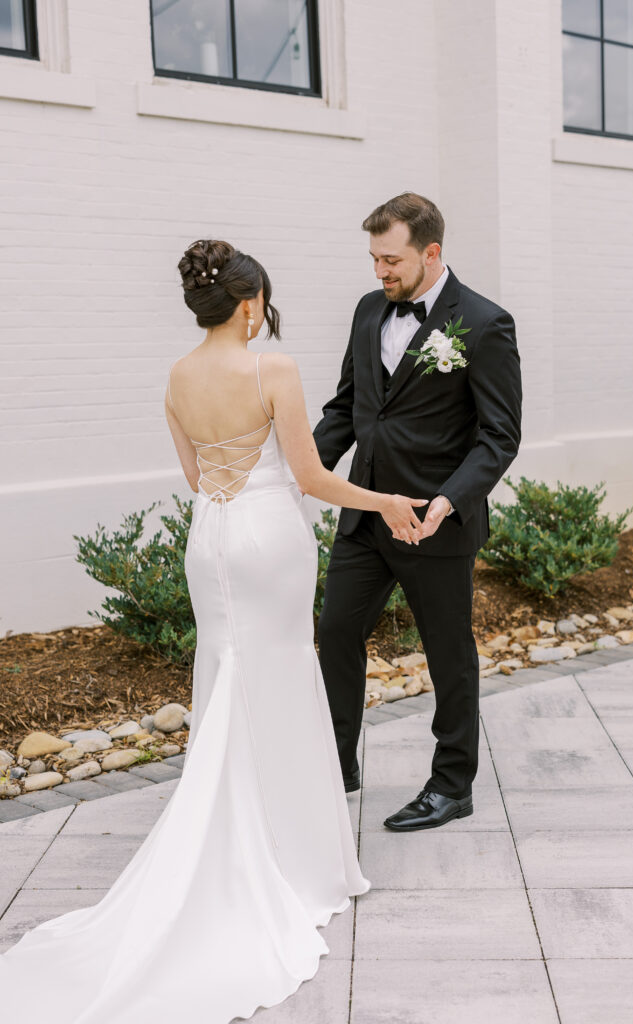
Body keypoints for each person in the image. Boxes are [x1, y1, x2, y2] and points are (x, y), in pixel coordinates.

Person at [0, 239, 428, 1022]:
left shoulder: (177, 375)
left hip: (212, 538)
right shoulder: (275, 368)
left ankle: (237, 836)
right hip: (268, 536)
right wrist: (387, 501)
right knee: (278, 679)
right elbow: (309, 478)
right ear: (247, 303)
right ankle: (295, 861)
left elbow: (198, 477)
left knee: (229, 673)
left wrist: (236, 484)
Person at [313, 192, 523, 830]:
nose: (380, 272)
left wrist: (448, 503)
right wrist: (294, 472)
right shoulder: (366, 310)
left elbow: (499, 436)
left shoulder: (485, 324)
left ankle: (452, 782)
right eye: (374, 259)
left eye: (392, 260)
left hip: (435, 523)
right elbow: (350, 406)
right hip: (365, 514)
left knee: (447, 653)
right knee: (337, 635)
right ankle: (337, 765)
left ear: (432, 253)